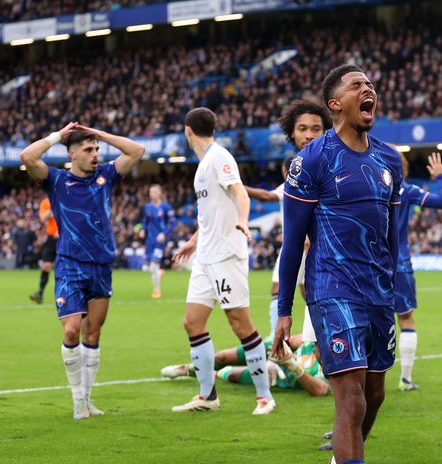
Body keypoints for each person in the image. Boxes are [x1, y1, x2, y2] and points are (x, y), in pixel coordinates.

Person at [272, 64, 403, 464]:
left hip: (377, 290)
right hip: (332, 288)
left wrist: (393, 286)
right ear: (335, 104)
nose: (368, 89)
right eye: (357, 85)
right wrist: (284, 310)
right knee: (351, 398)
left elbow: (392, 235)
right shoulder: (312, 160)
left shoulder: (389, 159)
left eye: (370, 84)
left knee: (375, 395)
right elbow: (292, 243)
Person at [19, 122, 145, 419]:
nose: (95, 154)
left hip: (101, 265)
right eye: (88, 149)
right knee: (72, 329)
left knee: (93, 332)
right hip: (70, 264)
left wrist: (100, 134)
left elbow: (137, 151)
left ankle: (88, 399)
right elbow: (27, 157)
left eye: (96, 149)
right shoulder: (56, 180)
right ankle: (77, 399)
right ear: (72, 154)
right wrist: (56, 137)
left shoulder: (106, 175)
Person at [171, 107, 275, 415]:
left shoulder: (219, 157)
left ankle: (264, 397)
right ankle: (208, 396)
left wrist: (243, 219)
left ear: (188, 131)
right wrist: (194, 240)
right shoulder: (204, 165)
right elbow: (211, 213)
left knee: (240, 323)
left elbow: (240, 193)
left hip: (226, 254)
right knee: (192, 322)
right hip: (205, 256)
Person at [244, 100, 332, 336]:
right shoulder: (294, 179)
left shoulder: (334, 167)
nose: (309, 135)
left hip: (332, 264)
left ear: (326, 131)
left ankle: (282, 343)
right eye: (302, 128)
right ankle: (280, 340)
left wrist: (236, 186)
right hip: (304, 254)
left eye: (315, 129)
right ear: (292, 132)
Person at [393, 152, 442, 391]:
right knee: (406, 318)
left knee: (368, 323)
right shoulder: (408, 191)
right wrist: (441, 177)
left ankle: (362, 381)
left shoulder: (367, 190)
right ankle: (405, 379)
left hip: (370, 265)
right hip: (399, 265)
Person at [160, 333, 330, 397]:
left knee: (232, 374)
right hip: (278, 358)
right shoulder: (313, 334)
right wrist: (272, 358)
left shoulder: (333, 357)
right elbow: (288, 341)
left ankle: (214, 375)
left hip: (283, 376)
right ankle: (188, 369)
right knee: (222, 357)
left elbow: (321, 389)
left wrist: (290, 364)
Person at [140, 184, 175, 299]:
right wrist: (143, 229)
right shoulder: (147, 207)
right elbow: (145, 221)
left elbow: (172, 223)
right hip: (150, 240)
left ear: (160, 193)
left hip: (160, 240)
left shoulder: (166, 207)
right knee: (149, 268)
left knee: (154, 265)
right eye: (151, 192)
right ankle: (160, 273)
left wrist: (164, 234)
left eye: (155, 191)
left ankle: (157, 290)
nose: (153, 194)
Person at [30, 196, 58, 303]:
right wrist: (52, 209)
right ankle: (40, 293)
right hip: (51, 238)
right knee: (46, 266)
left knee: (64, 266)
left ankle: (65, 294)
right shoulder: (46, 202)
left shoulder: (66, 197)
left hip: (65, 237)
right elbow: (43, 218)